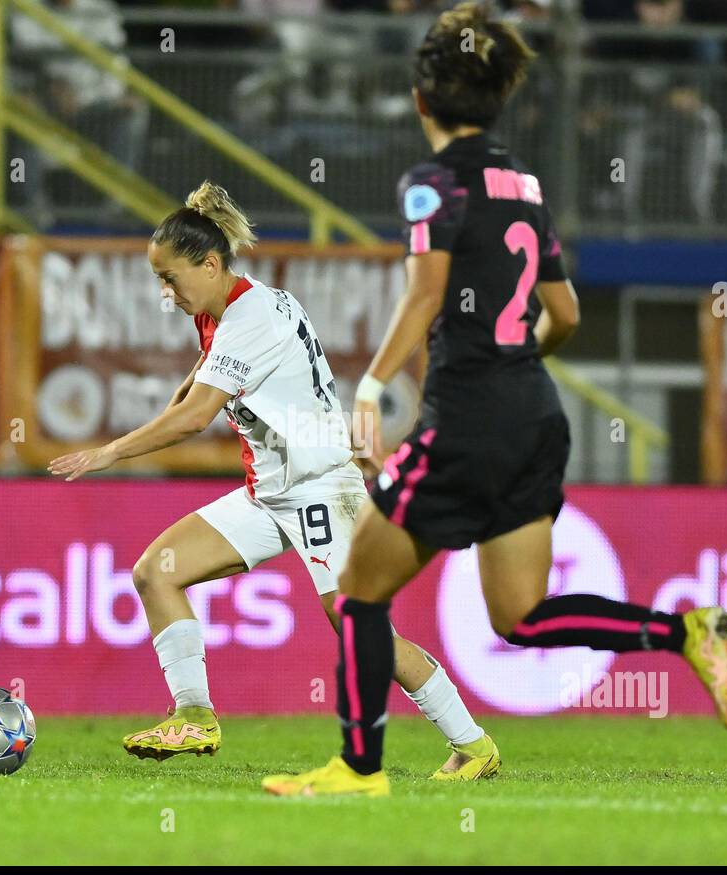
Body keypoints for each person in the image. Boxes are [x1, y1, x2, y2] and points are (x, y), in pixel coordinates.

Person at [263, 1, 727, 799]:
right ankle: (682, 629)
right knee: (521, 615)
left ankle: (357, 770)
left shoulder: (432, 182)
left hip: (468, 416)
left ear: (422, 100)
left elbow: (423, 297)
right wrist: (514, 363)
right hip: (536, 411)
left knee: (357, 590)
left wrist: (374, 386)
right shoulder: (521, 181)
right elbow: (567, 315)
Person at [49, 181, 502, 781]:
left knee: (361, 630)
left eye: (171, 278)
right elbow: (208, 381)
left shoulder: (250, 316)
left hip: (320, 487)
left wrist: (109, 452)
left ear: (210, 265)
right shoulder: (237, 307)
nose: (166, 293)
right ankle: (194, 715)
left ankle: (473, 745)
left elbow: (194, 417)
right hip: (271, 491)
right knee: (155, 571)